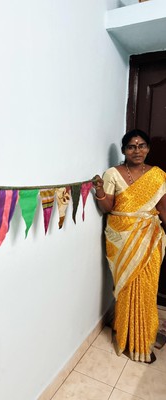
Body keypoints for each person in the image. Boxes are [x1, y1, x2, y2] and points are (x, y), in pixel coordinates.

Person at [93, 129, 166, 363]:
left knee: (146, 288)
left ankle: (142, 339)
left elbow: (163, 209)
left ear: (148, 148)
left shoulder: (157, 175)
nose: (138, 151)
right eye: (132, 146)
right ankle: (125, 337)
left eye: (142, 145)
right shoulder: (113, 173)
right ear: (124, 150)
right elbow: (108, 207)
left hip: (149, 236)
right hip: (120, 237)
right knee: (124, 287)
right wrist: (101, 191)